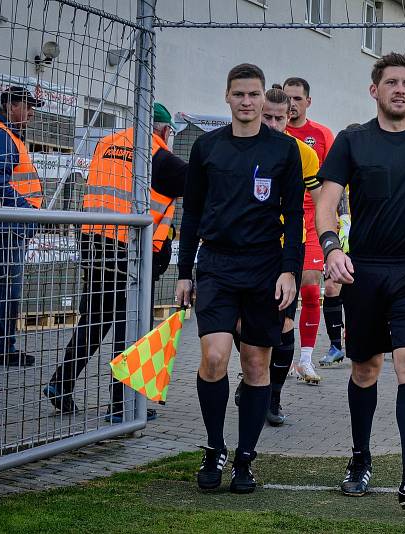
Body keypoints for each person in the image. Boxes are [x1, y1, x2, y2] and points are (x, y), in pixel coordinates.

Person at [315, 52, 405, 509]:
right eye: (391, 82)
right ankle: (360, 459)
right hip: (366, 270)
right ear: (374, 90)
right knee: (366, 368)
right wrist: (332, 247)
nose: (400, 89)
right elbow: (326, 202)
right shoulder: (351, 141)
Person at [175, 64, 303, 494]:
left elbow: (294, 219)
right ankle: (215, 449)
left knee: (255, 363)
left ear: (263, 97)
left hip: (265, 267)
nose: (247, 102)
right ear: (227, 97)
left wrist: (290, 270)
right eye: (239, 94)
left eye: (254, 95)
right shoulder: (207, 148)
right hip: (217, 265)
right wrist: (184, 272)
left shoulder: (283, 151)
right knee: (214, 357)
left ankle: (245, 459)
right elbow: (191, 212)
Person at [43, 102, 186, 419]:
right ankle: (123, 408)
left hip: (94, 243)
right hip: (131, 252)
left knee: (95, 318)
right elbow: (197, 185)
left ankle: (61, 384)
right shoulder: (158, 156)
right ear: (163, 130)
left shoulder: (106, 144)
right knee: (132, 325)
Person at [233, 87, 322, 426]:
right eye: (266, 116)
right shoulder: (240, 145)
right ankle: (252, 375)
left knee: (284, 326)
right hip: (247, 248)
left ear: (290, 118)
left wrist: (328, 236)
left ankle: (273, 397)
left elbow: (318, 196)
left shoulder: (303, 154)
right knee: (242, 322)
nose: (271, 124)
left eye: (278, 118)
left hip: (287, 250)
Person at [283, 77, 340, 378]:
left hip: (312, 216)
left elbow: (334, 180)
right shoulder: (274, 128)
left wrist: (335, 221)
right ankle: (279, 353)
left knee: (308, 285)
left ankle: (305, 358)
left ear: (308, 101)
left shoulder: (320, 135)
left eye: (297, 98)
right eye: (287, 98)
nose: (291, 104)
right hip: (279, 217)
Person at [0, 86, 42, 367]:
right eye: (28, 106)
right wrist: (28, 213)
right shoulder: (2, 136)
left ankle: (1, 344)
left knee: (6, 285)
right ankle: (1, 347)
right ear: (12, 107)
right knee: (7, 287)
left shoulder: (9, 136)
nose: (32, 112)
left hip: (12, 223)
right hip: (9, 225)